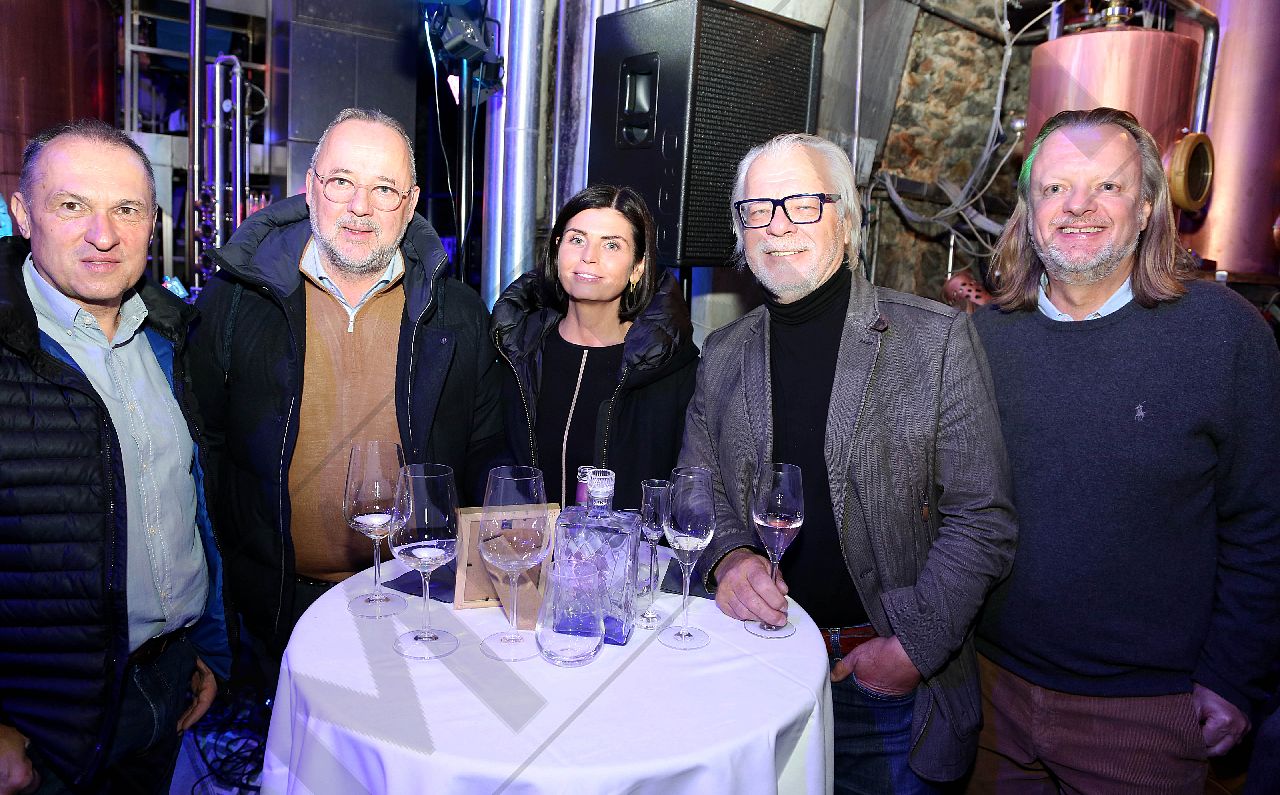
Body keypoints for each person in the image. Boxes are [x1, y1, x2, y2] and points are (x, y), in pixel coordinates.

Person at [678, 132, 1017, 792]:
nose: (778, 226)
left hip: (883, 687)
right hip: (755, 661)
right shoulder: (722, 351)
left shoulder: (935, 339)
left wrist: (912, 649)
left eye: (802, 203)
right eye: (757, 209)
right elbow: (701, 486)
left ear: (848, 217)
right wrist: (731, 558)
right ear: (741, 232)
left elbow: (983, 519)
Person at [968, 107, 1280, 793]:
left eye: (1107, 186)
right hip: (989, 691)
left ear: (1146, 209)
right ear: (1028, 213)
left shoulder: (1226, 336)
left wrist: (1234, 676)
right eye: (1054, 188)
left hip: (1146, 714)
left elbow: (1263, 521)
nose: (1077, 206)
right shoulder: (985, 339)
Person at [187, 107, 504, 673]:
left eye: (384, 189)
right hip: (275, 608)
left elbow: (486, 451)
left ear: (409, 204)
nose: (360, 207)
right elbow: (202, 450)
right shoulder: (234, 302)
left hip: (417, 599)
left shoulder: (458, 314)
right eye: (341, 182)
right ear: (311, 189)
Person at [0, 119, 231, 794]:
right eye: (73, 205)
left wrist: (204, 647)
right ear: (23, 214)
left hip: (168, 683)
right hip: (41, 720)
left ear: (152, 224)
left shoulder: (168, 338)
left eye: (126, 209)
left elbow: (190, 508)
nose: (104, 234)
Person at [491, 185, 698, 509]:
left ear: (638, 267)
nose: (589, 256)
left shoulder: (672, 370)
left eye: (611, 245)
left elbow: (688, 492)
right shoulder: (516, 352)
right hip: (527, 540)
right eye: (577, 239)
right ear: (557, 249)